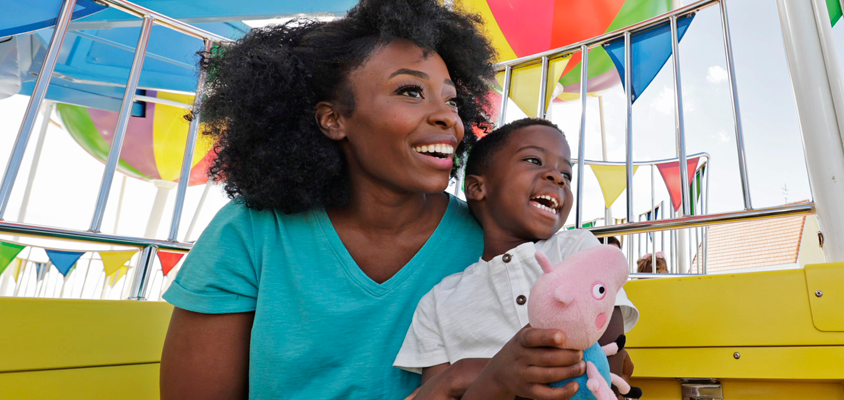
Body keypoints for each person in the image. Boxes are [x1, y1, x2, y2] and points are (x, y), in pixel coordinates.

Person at [158, 0, 498, 398]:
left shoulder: (486, 239)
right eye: (411, 91)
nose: (448, 118)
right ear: (333, 119)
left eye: (452, 100)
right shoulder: (251, 230)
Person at [395, 118, 639, 399]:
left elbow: (609, 360)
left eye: (567, 174)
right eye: (534, 160)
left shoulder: (578, 246)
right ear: (476, 188)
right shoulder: (439, 302)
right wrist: (493, 377)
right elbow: (438, 392)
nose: (557, 177)